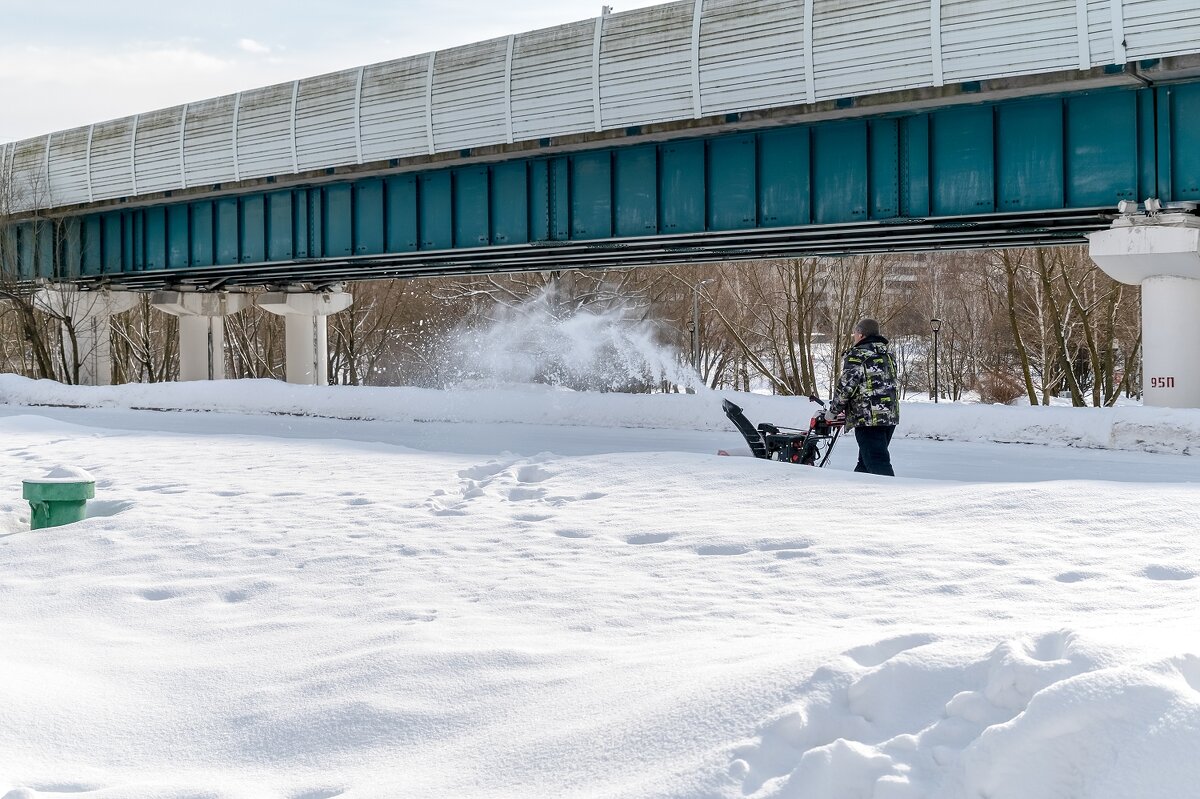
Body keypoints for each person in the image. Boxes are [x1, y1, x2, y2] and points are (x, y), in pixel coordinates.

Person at [826, 318, 899, 476]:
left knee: (877, 461)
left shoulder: (857, 355)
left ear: (861, 334)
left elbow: (846, 388)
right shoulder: (888, 355)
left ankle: (892, 494)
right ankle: (858, 492)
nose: (854, 336)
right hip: (889, 417)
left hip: (868, 419)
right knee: (865, 463)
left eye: (855, 333)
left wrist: (832, 411)